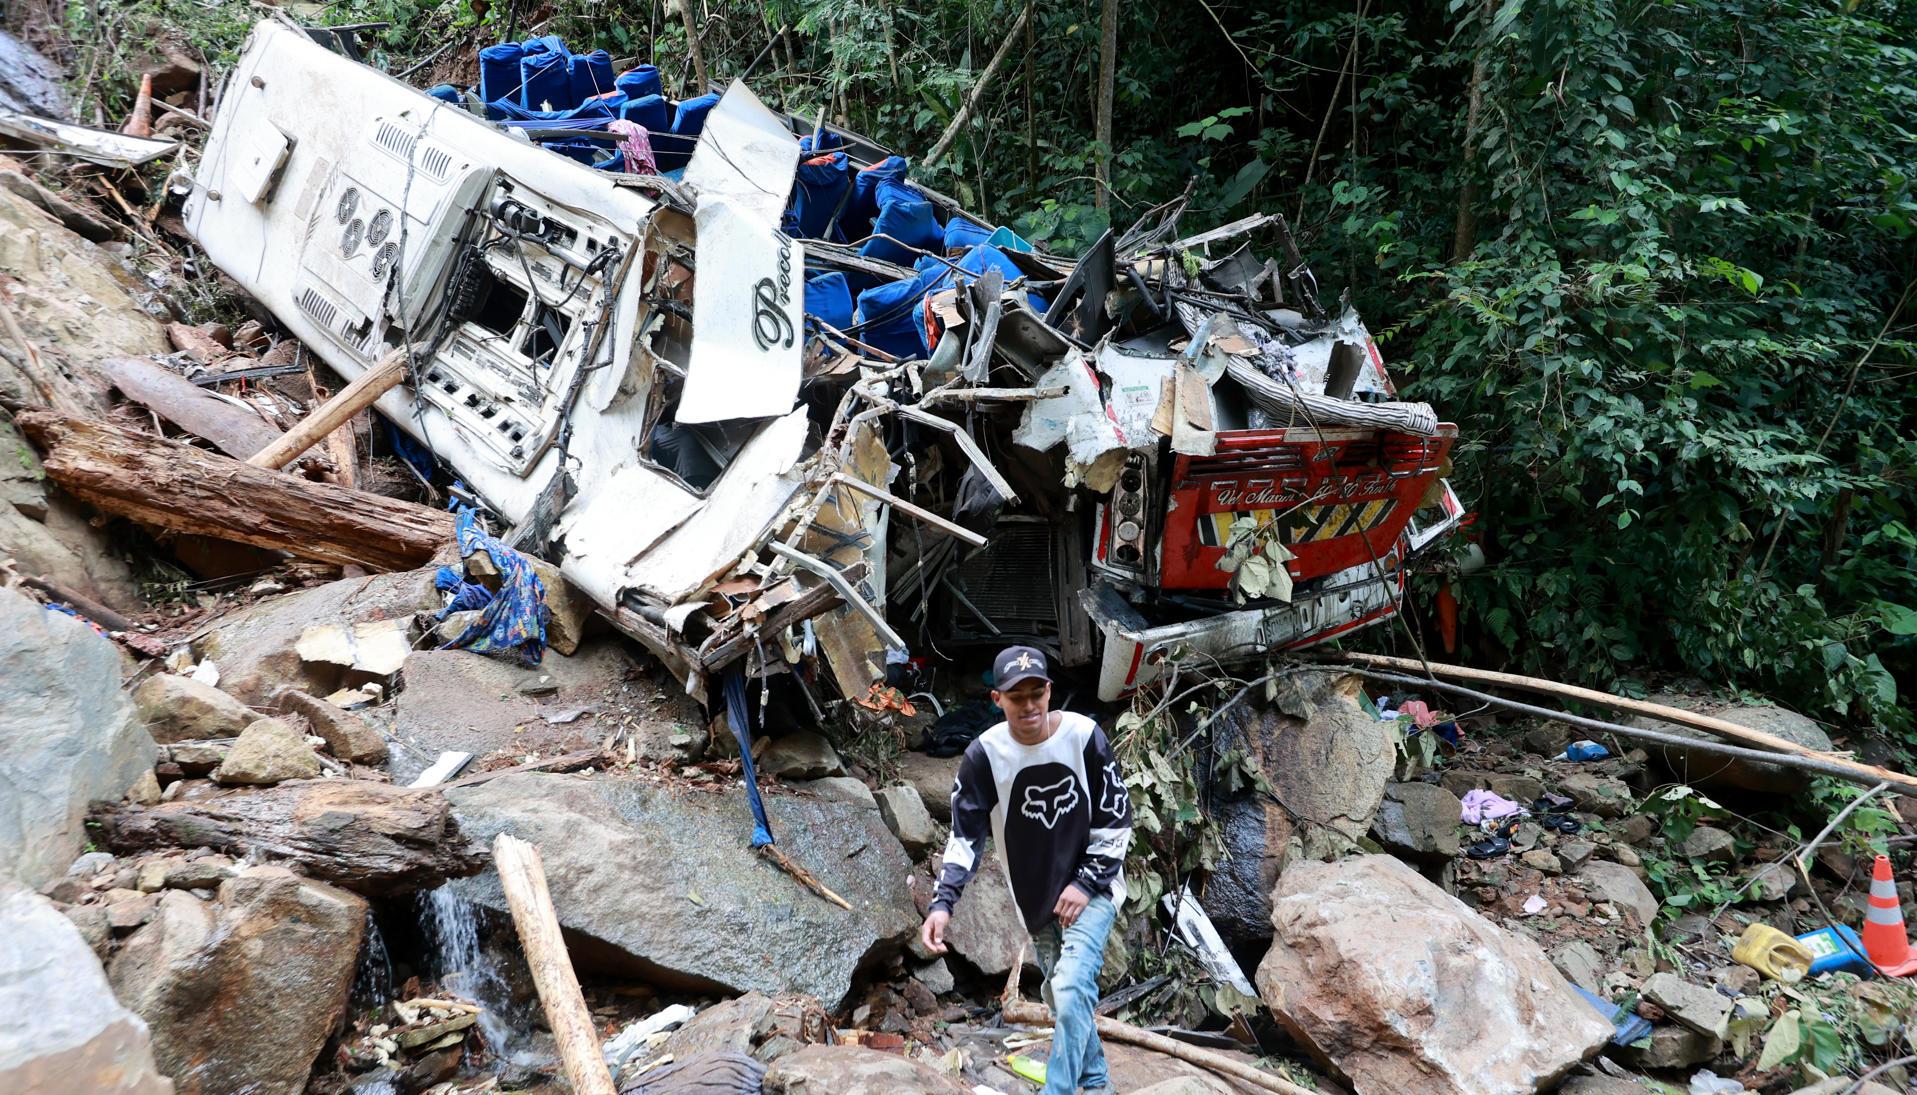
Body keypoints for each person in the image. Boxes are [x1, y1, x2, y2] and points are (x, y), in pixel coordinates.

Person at [921, 645, 1133, 1095]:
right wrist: (943, 904)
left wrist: (1086, 882)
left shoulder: (1084, 736)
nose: (1030, 705)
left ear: (1050, 691)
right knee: (1063, 1000)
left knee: (1073, 988)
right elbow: (964, 838)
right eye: (1018, 697)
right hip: (1036, 899)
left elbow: (1116, 818)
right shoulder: (985, 755)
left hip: (1092, 887)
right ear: (998, 700)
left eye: (1037, 693)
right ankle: (1097, 1085)